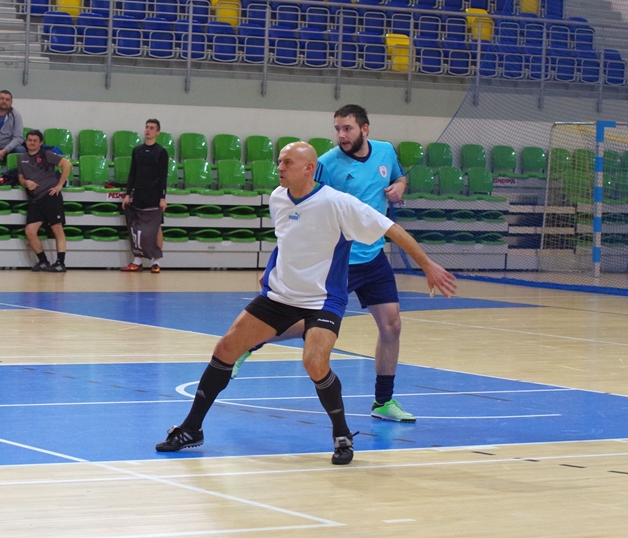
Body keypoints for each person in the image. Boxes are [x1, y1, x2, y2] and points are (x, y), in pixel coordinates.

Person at [155, 142, 456, 464]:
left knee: (314, 363)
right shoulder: (278, 198)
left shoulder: (338, 203)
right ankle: (192, 428)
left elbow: (391, 229)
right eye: (279, 161)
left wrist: (427, 266)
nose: (279, 167)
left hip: (322, 300)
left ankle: (342, 434)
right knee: (225, 348)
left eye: (287, 162)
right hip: (279, 296)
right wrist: (271, 269)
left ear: (309, 168)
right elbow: (286, 240)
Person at [235, 105, 417, 424]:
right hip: (337, 260)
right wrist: (276, 261)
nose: (341, 135)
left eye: (347, 128)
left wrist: (400, 186)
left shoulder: (386, 152)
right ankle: (250, 340)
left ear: (365, 129)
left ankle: (383, 401)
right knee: (306, 323)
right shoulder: (326, 164)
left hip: (373, 256)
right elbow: (298, 213)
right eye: (337, 129)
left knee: (392, 326)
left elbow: (399, 176)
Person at [19, 129, 72, 272]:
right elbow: (21, 178)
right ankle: (43, 261)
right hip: (35, 199)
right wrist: (26, 183)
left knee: (57, 228)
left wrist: (60, 185)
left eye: (35, 141)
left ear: (40, 143)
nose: (32, 143)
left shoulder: (46, 154)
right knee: (30, 231)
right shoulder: (22, 158)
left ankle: (60, 263)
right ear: (26, 142)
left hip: (50, 196)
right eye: (29, 140)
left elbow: (67, 164)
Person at [121, 118, 169, 273]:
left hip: (154, 195)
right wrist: (127, 194)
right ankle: (137, 260)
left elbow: (163, 176)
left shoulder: (161, 152)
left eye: (152, 128)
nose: (148, 130)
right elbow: (132, 174)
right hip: (139, 194)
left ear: (157, 132)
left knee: (156, 227)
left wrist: (162, 198)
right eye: (147, 127)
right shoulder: (137, 150)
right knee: (137, 228)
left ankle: (156, 262)